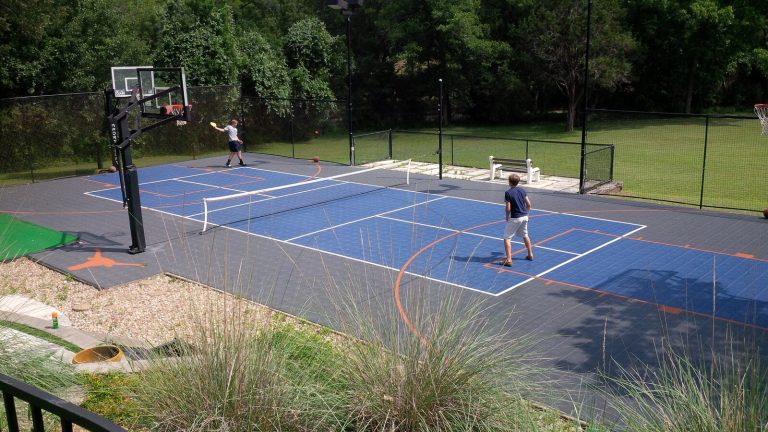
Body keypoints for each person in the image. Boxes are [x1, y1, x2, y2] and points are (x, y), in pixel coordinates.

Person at [501, 173, 533, 266]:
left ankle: (509, 260)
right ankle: (530, 254)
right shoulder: (522, 190)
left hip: (515, 217)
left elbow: (508, 208)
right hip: (524, 217)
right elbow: (529, 204)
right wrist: (527, 213)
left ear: (509, 182)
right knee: (525, 235)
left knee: (507, 238)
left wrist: (507, 216)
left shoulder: (508, 193)